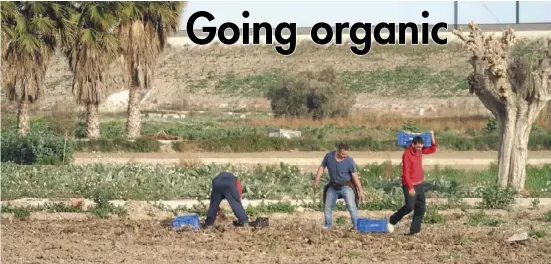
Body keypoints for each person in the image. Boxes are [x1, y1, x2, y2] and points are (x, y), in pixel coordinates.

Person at [387, 130, 437, 235]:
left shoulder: (420, 151)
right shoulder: (407, 155)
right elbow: (406, 172)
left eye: (421, 147)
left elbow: (433, 149)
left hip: (419, 183)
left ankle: (414, 231)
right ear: (413, 144)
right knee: (409, 207)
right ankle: (392, 220)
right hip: (409, 184)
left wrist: (432, 136)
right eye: (418, 147)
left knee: (421, 207)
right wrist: (410, 187)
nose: (420, 149)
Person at [313, 143, 365, 229]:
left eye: (346, 154)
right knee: (327, 206)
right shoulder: (329, 156)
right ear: (338, 151)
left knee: (351, 206)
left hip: (346, 186)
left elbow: (354, 175)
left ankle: (356, 225)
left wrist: (360, 189)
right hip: (333, 186)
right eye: (342, 154)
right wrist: (317, 179)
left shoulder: (349, 160)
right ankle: (328, 225)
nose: (344, 156)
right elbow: (322, 167)